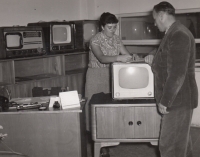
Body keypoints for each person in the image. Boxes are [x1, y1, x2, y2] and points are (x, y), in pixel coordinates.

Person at [144, 1, 198, 157]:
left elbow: (176, 73)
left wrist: (165, 100)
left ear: (161, 15)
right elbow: (167, 55)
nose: (154, 23)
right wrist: (153, 55)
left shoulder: (178, 34)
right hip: (181, 99)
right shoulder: (174, 32)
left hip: (177, 100)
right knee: (181, 144)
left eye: (154, 19)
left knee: (169, 146)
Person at [85, 12, 132, 157]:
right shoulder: (94, 40)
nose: (113, 30)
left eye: (115, 27)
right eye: (110, 27)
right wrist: (120, 57)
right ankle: (92, 146)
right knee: (93, 110)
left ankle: (105, 145)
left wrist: (132, 58)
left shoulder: (116, 39)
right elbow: (102, 58)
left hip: (112, 75)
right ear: (102, 27)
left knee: (108, 110)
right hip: (95, 76)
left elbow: (127, 55)